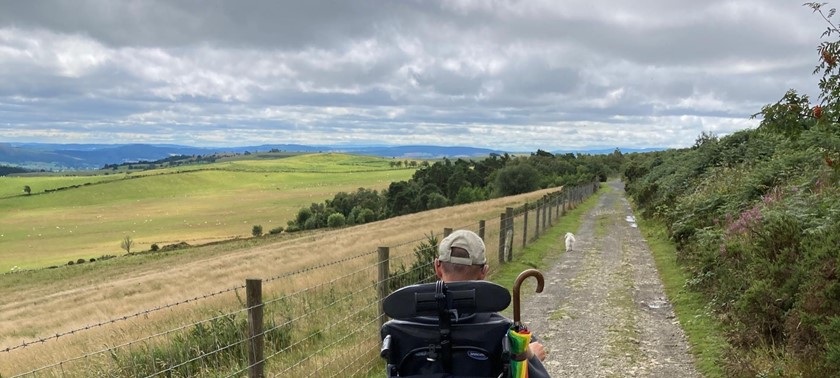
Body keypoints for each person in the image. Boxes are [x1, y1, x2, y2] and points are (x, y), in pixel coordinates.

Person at [434, 229, 550, 375]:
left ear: (437, 267)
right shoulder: (505, 332)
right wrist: (530, 357)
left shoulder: (402, 328)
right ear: (484, 271)